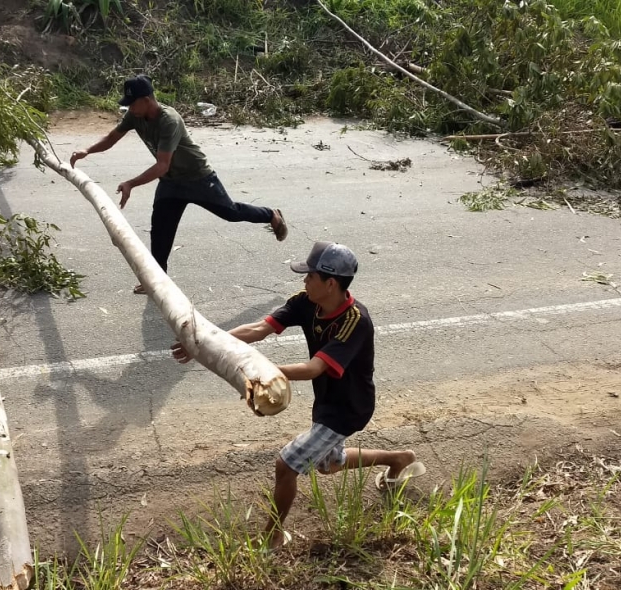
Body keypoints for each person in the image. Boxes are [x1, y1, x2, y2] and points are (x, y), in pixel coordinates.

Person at [171, 241, 425, 549]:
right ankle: (399, 458)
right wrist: (200, 342)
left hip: (349, 407)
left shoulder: (355, 321)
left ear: (330, 284)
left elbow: (315, 368)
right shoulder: (305, 302)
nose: (304, 280)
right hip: (327, 400)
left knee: (287, 464)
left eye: (310, 276)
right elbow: (256, 329)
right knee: (331, 464)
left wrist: (264, 372)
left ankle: (273, 535)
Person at [70, 75, 288, 294]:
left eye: (133, 103)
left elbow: (162, 165)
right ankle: (157, 279)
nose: (130, 109)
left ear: (147, 100)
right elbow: (111, 138)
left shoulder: (169, 120)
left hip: (198, 178)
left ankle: (270, 214)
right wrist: (87, 151)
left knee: (230, 212)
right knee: (160, 230)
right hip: (171, 183)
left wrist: (131, 183)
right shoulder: (134, 116)